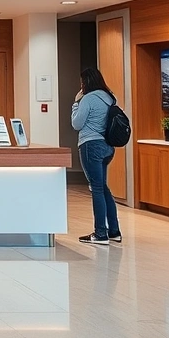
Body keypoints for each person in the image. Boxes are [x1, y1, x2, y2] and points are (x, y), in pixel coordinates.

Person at [71, 67, 122, 246]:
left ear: (86, 82)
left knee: (97, 189)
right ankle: (114, 231)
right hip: (107, 147)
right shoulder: (109, 97)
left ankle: (100, 233)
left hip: (90, 146)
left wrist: (76, 103)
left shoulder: (88, 99)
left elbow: (77, 124)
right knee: (103, 188)